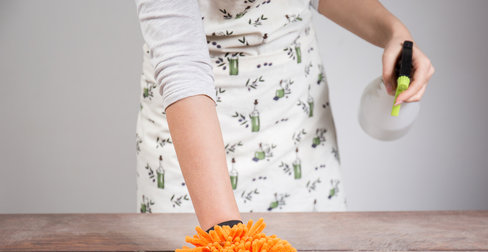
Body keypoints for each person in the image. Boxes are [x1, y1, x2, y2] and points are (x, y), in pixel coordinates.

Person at [134, 0, 435, 232]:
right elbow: (181, 67)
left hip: (299, 141)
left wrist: (394, 32)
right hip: (191, 158)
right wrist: (225, 236)